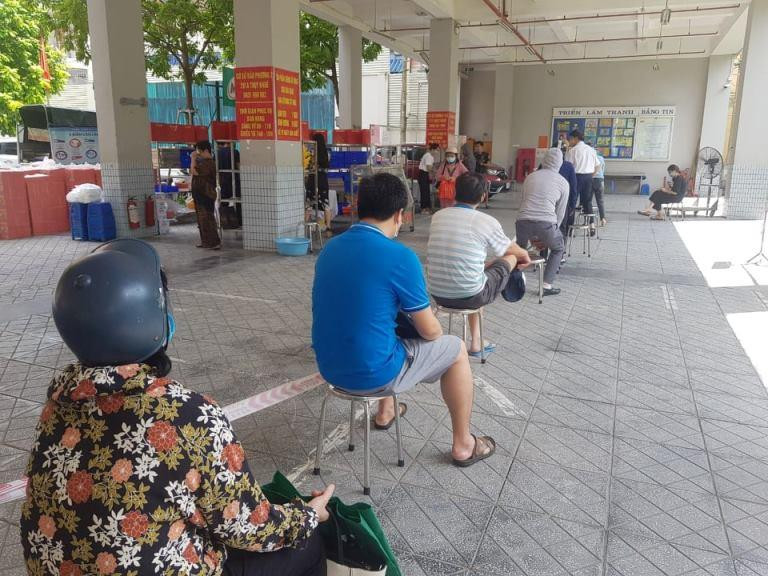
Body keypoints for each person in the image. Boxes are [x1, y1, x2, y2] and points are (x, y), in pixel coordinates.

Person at [21, 239, 334, 576]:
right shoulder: (189, 415)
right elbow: (247, 527)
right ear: (146, 317)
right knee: (308, 545)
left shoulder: (57, 407)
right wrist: (308, 515)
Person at [312, 173, 495, 467]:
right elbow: (431, 332)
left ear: (359, 206)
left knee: (386, 330)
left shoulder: (330, 249)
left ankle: (386, 411)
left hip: (330, 368)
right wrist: (430, 323)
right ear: (399, 215)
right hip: (374, 374)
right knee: (457, 349)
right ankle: (464, 444)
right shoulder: (400, 257)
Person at [428, 173, 531, 357]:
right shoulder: (486, 221)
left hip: (438, 294)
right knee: (510, 258)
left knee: (479, 274)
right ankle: (476, 343)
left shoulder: (438, 216)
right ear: (484, 196)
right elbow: (508, 249)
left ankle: (476, 341)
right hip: (472, 295)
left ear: (455, 192)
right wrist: (524, 255)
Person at [515, 149, 570, 296]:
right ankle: (546, 285)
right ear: (560, 163)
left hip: (522, 222)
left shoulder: (530, 177)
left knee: (519, 250)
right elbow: (560, 213)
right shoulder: (563, 182)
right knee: (558, 249)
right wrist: (551, 234)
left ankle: (511, 281)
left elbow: (523, 201)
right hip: (546, 224)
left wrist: (534, 237)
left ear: (544, 160)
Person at [565, 130, 600, 236]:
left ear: (576, 138)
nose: (569, 141)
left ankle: (570, 228)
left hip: (576, 177)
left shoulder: (572, 151)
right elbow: (597, 166)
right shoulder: (591, 150)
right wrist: (590, 176)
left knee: (572, 201)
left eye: (570, 139)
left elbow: (567, 167)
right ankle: (592, 226)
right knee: (587, 202)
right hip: (589, 177)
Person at [190, 140, 221, 250]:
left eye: (199, 151)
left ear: (206, 151)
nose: (198, 154)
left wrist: (193, 158)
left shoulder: (208, 163)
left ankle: (213, 242)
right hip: (199, 194)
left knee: (207, 219)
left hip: (206, 195)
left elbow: (194, 172)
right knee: (201, 220)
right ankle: (205, 241)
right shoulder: (202, 162)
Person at [306, 132, 333, 233]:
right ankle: (328, 226)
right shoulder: (327, 153)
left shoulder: (311, 152)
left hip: (312, 179)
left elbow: (308, 166)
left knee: (309, 204)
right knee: (326, 204)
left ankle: (304, 226)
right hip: (323, 180)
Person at [217, 141, 241, 229]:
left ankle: (225, 222)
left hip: (223, 181)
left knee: (224, 202)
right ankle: (239, 222)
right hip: (234, 180)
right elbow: (238, 166)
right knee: (238, 201)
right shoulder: (235, 152)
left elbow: (216, 167)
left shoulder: (218, 152)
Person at [558, 151, 579, 251]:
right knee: (562, 227)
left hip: (547, 202)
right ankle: (560, 253)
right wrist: (572, 205)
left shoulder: (543, 166)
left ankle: (543, 255)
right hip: (563, 202)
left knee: (546, 228)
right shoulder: (568, 166)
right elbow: (573, 187)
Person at [418, 143, 439, 214]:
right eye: (436, 150)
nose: (437, 152)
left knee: (426, 192)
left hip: (423, 174)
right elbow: (428, 167)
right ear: (432, 149)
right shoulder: (429, 156)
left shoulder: (427, 155)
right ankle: (424, 209)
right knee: (425, 192)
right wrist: (435, 172)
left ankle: (426, 208)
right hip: (423, 174)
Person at [592, 146, 607, 226]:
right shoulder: (601, 158)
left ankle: (590, 221)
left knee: (588, 201)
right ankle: (603, 219)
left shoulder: (590, 158)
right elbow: (603, 169)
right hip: (600, 180)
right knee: (600, 201)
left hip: (591, 179)